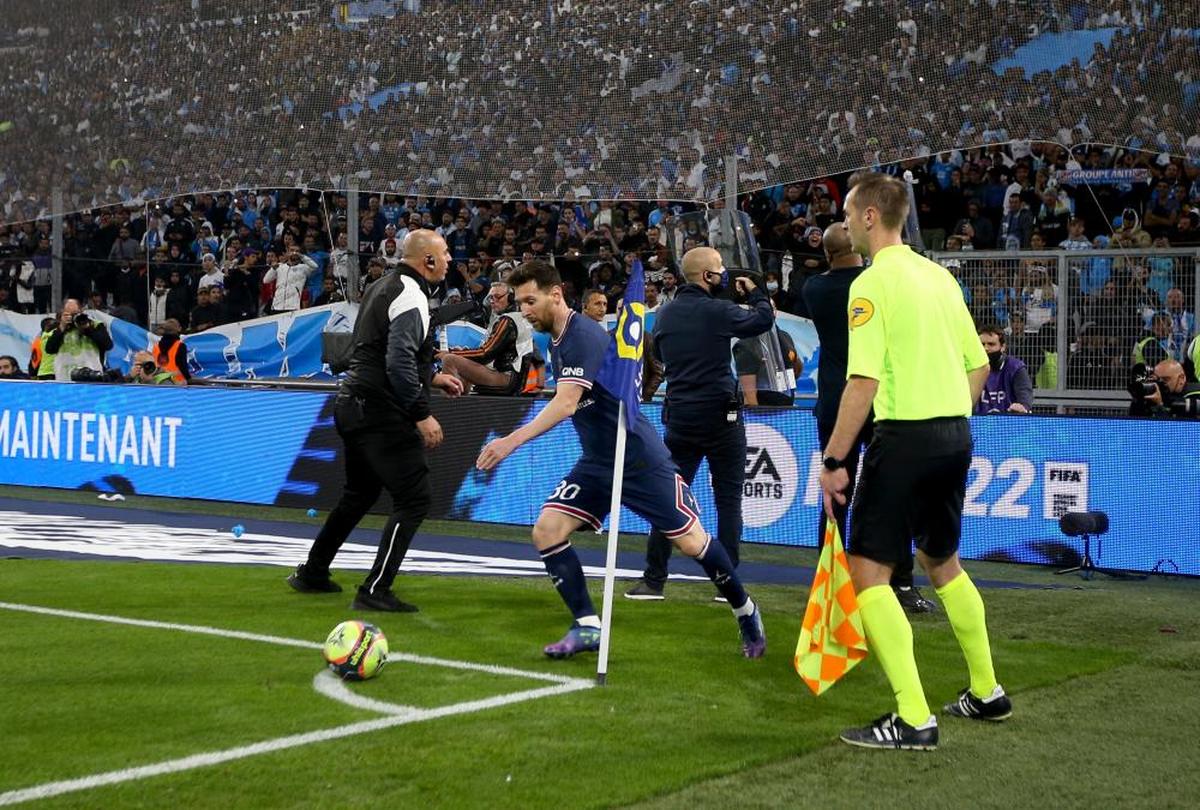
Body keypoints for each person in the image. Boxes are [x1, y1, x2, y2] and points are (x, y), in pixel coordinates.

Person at [476, 260, 766, 660]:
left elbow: (565, 403)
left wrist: (511, 441)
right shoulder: (558, 339)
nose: (523, 310)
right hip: (598, 461)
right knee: (547, 531)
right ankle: (588, 627)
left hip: (638, 460)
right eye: (520, 302)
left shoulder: (582, 335)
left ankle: (746, 609)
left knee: (692, 543)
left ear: (555, 294)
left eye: (530, 300)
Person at [818, 173, 1009, 751]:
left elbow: (864, 381)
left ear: (871, 218)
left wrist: (834, 457)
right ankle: (987, 691)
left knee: (869, 574)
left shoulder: (871, 284)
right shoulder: (939, 277)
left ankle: (913, 718)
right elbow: (979, 364)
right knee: (940, 559)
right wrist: (949, 413)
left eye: (850, 214)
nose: (846, 223)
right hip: (955, 435)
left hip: (903, 441)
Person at [288, 230, 464, 612]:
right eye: (445, 253)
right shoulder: (412, 294)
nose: (450, 259)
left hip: (352, 402)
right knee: (414, 498)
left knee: (359, 494)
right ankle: (375, 590)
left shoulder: (383, 285)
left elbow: (375, 350)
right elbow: (397, 360)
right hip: (380, 410)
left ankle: (313, 571)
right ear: (428, 261)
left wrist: (432, 377)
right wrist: (421, 414)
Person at [793, 223, 938, 614]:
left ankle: (831, 583)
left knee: (833, 497)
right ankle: (901, 582)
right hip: (878, 402)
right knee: (893, 494)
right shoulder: (876, 282)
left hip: (834, 406)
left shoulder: (814, 289)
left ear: (826, 255)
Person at [624, 247, 773, 601]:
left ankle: (653, 580)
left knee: (669, 500)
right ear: (707, 277)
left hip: (681, 417)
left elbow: (658, 355)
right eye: (720, 270)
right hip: (722, 417)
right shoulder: (719, 311)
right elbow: (762, 321)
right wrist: (756, 293)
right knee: (728, 500)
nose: (723, 275)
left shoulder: (665, 315)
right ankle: (727, 585)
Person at [437, 281, 543, 395]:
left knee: (449, 359)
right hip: (512, 378)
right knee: (464, 360)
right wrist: (462, 353)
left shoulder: (508, 321)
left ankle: (451, 408)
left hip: (505, 378)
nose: (493, 301)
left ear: (512, 298)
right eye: (491, 298)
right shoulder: (519, 318)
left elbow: (485, 353)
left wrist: (452, 352)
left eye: (497, 297)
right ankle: (463, 403)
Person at [44, 299, 114, 381]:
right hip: (65, 378)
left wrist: (87, 329)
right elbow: (49, 349)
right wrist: (62, 328)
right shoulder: (59, 328)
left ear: (81, 311)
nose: (73, 317)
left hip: (91, 377)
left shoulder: (95, 324)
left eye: (75, 314)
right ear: (63, 313)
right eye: (69, 314)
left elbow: (108, 345)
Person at [975, 325, 1033, 414]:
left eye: (991, 344)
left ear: (1003, 347)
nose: (985, 348)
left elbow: (1025, 400)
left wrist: (1022, 407)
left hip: (1009, 423)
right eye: (982, 345)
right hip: (978, 423)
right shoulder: (971, 369)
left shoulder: (1016, 368)